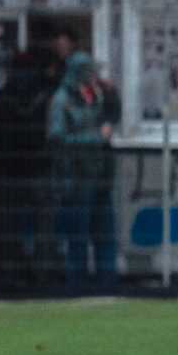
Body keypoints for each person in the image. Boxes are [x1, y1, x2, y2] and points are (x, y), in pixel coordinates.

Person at [48, 51, 119, 285]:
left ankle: (108, 288)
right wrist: (96, 139)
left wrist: (111, 95)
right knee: (78, 242)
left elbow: (113, 116)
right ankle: (76, 288)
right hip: (77, 181)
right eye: (91, 74)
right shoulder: (61, 101)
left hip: (99, 179)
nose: (95, 78)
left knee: (105, 239)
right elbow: (57, 139)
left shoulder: (94, 98)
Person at [0, 51, 54, 287]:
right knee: (43, 229)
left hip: (8, 171)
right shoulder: (45, 97)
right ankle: (43, 277)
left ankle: (8, 275)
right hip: (38, 169)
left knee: (6, 228)